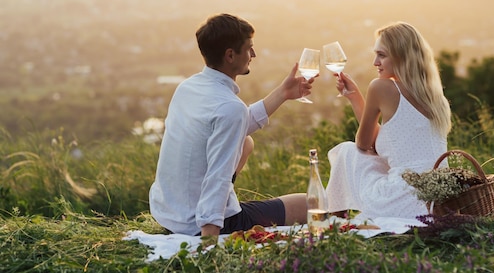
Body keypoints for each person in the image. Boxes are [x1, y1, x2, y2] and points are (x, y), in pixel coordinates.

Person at [149, 13, 314, 237]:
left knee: (246, 142)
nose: (253, 54)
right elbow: (218, 176)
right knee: (313, 204)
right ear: (230, 55)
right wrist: (208, 244)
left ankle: (218, 210)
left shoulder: (188, 88)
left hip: (169, 213)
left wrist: (283, 93)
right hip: (197, 224)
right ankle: (221, 217)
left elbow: (237, 123)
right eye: (248, 48)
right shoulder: (229, 107)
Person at [325, 21, 452, 220]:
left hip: (401, 201)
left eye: (381, 55)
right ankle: (337, 218)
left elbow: (364, 144)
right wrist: (355, 97)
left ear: (402, 57)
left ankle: (335, 219)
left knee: (347, 151)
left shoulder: (381, 87)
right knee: (381, 161)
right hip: (441, 200)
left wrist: (357, 99)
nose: (375, 62)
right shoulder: (438, 100)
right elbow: (391, 139)